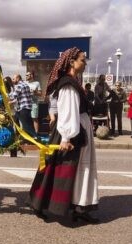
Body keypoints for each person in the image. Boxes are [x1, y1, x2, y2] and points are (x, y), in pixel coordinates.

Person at [27, 47, 99, 223]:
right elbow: (67, 111)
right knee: (60, 169)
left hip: (76, 128)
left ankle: (79, 206)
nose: (85, 62)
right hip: (70, 131)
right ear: (72, 62)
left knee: (75, 170)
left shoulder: (72, 82)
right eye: (82, 59)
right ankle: (43, 204)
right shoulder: (68, 85)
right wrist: (67, 137)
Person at [9, 74, 37, 140]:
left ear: (18, 78)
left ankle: (35, 136)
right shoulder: (25, 85)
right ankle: (25, 137)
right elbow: (19, 96)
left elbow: (13, 96)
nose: (13, 80)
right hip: (26, 107)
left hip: (23, 107)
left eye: (14, 79)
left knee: (26, 125)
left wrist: (5, 94)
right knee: (19, 121)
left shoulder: (19, 85)